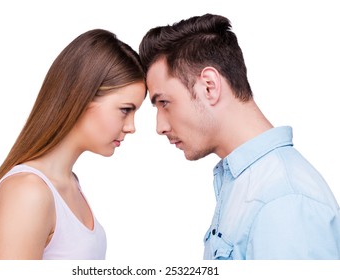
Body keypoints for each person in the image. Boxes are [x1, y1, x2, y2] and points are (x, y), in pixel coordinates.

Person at [139, 14, 340, 259]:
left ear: (209, 87)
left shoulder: (282, 201)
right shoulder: (248, 184)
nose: (159, 126)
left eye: (164, 102)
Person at [0, 29, 146, 260]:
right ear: (82, 95)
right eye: (125, 110)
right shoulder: (28, 192)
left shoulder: (69, 185)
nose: (131, 127)